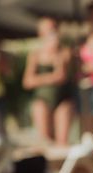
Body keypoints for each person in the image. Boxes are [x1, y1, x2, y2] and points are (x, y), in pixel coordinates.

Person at [22, 17, 75, 146]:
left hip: (63, 99)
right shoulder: (35, 55)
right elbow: (27, 82)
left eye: (54, 29)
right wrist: (50, 77)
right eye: (48, 30)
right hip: (42, 99)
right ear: (41, 34)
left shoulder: (65, 52)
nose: (52, 33)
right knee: (45, 140)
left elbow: (62, 75)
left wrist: (56, 55)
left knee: (62, 142)